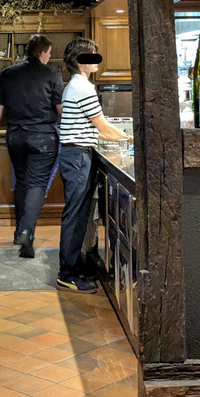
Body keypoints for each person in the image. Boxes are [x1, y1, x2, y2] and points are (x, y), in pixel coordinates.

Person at [56, 38, 129, 294]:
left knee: (77, 214)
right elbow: (103, 127)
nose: (97, 58)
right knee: (75, 215)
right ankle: (66, 274)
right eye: (92, 55)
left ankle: (73, 266)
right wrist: (130, 138)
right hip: (77, 157)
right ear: (80, 61)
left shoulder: (75, 85)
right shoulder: (83, 88)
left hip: (74, 155)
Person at [0, 34, 63, 259]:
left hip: (16, 136)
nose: (49, 57)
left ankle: (18, 230)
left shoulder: (8, 73)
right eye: (49, 53)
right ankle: (26, 232)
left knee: (21, 181)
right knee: (36, 184)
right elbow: (60, 107)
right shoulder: (52, 74)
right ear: (42, 52)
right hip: (43, 137)